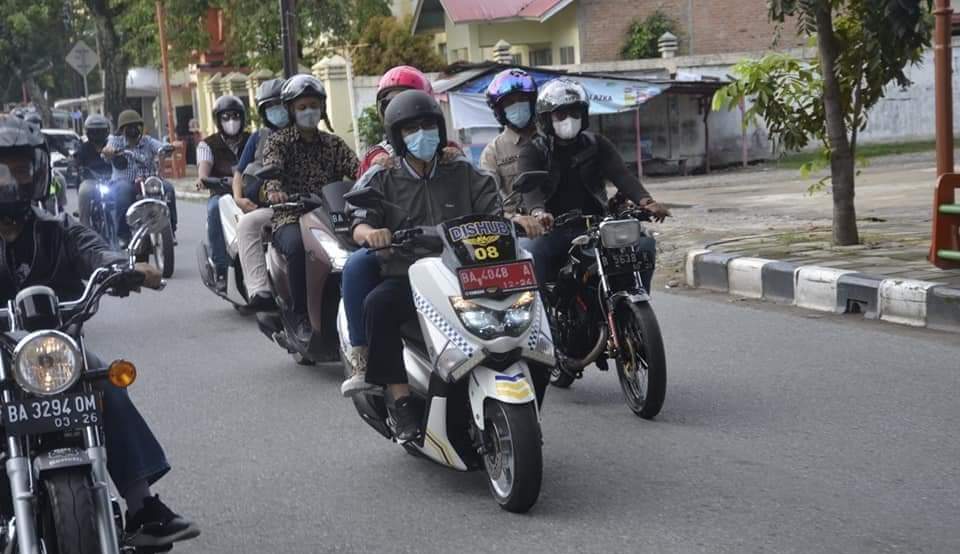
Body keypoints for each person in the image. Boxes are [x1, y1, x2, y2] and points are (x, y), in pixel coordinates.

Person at [0, 115, 199, 549]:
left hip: (53, 352)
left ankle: (143, 506)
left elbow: (94, 248)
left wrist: (124, 268)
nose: (12, 180)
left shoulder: (54, 227)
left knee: (105, 383)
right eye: (2, 169)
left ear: (38, 171)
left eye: (20, 168)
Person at [348, 90, 501, 441]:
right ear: (397, 137)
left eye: (429, 125)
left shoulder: (462, 171)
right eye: (411, 128)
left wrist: (515, 223)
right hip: (410, 278)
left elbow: (494, 211)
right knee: (378, 305)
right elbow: (358, 222)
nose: (422, 134)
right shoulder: (381, 177)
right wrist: (372, 233)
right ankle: (400, 402)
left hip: (464, 276)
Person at [339, 65, 438, 396]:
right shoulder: (376, 159)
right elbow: (361, 205)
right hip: (396, 247)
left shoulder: (450, 155)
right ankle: (363, 357)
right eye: (394, 106)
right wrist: (372, 233)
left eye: (422, 118)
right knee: (358, 265)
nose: (407, 114)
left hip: (447, 254)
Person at [517, 78, 670, 289]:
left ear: (584, 116)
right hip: (552, 230)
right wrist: (538, 213)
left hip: (597, 227)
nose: (569, 119)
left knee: (644, 243)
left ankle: (636, 297)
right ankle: (544, 313)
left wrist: (647, 201)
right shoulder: (532, 150)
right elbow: (530, 189)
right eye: (561, 114)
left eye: (575, 113)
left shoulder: (597, 144)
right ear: (546, 118)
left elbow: (621, 175)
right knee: (531, 254)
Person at [262, 75, 358, 341]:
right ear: (291, 110)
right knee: (295, 247)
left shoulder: (333, 144)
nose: (309, 112)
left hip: (332, 214)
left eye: (314, 106)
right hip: (291, 215)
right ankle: (300, 315)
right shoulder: (278, 142)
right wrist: (274, 190)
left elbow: (358, 168)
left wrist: (377, 171)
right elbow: (272, 168)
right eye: (302, 107)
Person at [232, 78, 287, 311]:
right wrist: (239, 198)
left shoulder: (310, 136)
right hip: (270, 207)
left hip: (309, 206)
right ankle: (259, 290)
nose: (277, 110)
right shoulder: (259, 138)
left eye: (281, 104)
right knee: (248, 223)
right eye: (271, 106)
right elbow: (239, 171)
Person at [479, 68, 545, 239]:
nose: (517, 105)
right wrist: (514, 219)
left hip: (559, 221)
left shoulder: (550, 139)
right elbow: (487, 202)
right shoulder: (492, 152)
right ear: (499, 110)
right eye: (510, 102)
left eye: (522, 99)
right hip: (521, 232)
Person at [196, 95, 251, 293]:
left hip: (250, 194)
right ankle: (220, 269)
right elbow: (204, 168)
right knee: (214, 210)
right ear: (218, 120)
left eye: (235, 116)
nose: (231, 121)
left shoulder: (252, 140)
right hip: (222, 195)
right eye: (226, 117)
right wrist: (203, 179)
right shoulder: (207, 144)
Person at [100, 110, 179, 244]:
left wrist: (168, 147)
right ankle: (123, 235)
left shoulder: (147, 141)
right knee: (123, 192)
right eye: (129, 127)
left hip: (149, 180)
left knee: (168, 188)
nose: (133, 130)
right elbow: (106, 151)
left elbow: (160, 146)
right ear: (122, 129)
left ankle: (170, 229)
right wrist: (108, 152)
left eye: (136, 126)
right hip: (125, 181)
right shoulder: (115, 141)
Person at [76, 114, 114, 226]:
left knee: (123, 194)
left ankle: (124, 230)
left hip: (111, 181)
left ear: (106, 131)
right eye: (94, 131)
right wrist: (76, 166)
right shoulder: (84, 147)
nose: (97, 134)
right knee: (83, 191)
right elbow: (77, 162)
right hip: (91, 181)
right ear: (88, 132)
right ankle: (84, 229)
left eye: (100, 131)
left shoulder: (112, 145)